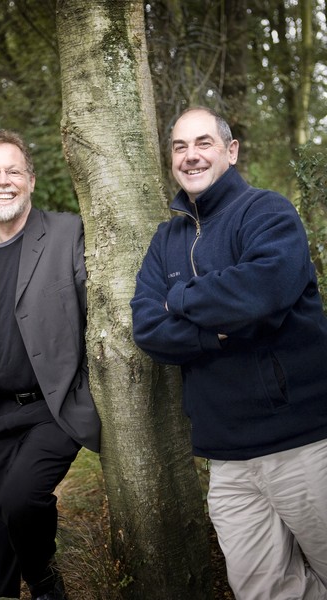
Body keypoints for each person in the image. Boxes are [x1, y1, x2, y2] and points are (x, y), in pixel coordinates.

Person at [130, 106, 327, 599]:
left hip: (301, 443)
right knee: (263, 590)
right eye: (180, 147)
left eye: (203, 143)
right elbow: (148, 327)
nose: (191, 156)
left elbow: (262, 291)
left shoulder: (267, 211)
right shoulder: (165, 239)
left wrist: (180, 298)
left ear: (230, 151)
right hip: (226, 458)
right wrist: (216, 333)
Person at [0, 129, 101, 600]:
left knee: (20, 502)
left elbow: (93, 316)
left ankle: (43, 580)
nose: (3, 181)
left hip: (55, 408)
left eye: (13, 170)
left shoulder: (66, 232)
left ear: (31, 180)